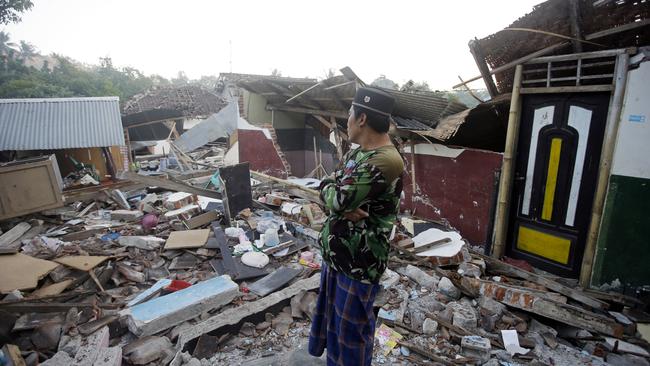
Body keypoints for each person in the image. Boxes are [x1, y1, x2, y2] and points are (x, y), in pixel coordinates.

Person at [308, 87, 405, 365]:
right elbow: (332, 186)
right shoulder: (357, 154)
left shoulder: (385, 159)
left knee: (351, 337)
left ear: (362, 119)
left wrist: (336, 198)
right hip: (339, 258)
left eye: (349, 114)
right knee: (335, 332)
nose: (346, 120)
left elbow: (336, 197)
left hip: (359, 264)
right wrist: (335, 196)